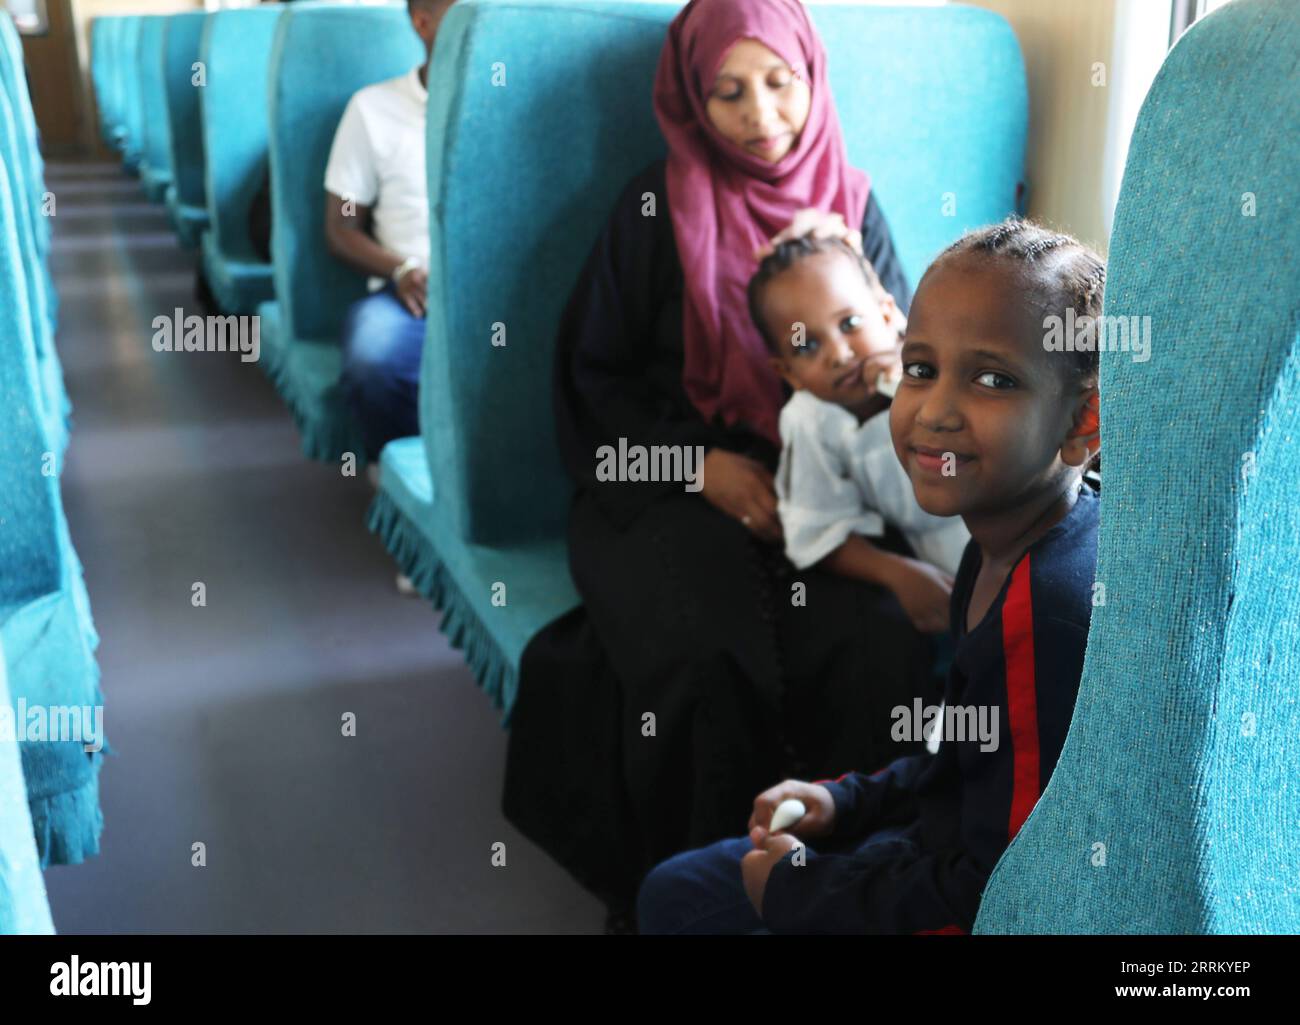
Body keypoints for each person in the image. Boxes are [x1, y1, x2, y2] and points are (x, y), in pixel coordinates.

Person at [502, 0, 942, 929]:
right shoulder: (654, 205)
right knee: (706, 652)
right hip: (663, 481)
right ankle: (700, 895)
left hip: (821, 481)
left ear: (812, 77)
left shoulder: (855, 205)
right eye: (728, 92)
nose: (761, 115)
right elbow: (592, 378)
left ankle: (846, 881)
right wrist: (697, 464)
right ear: (692, 100)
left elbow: (904, 358)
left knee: (876, 640)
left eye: (779, 83)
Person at [636, 218, 1106, 934]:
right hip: (924, 839)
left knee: (686, 907)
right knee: (673, 890)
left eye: (993, 379)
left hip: (961, 895)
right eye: (921, 369)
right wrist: (849, 800)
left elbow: (1000, 891)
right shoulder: (992, 545)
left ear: (1083, 421)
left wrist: (803, 894)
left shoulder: (1046, 613)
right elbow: (962, 755)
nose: (936, 411)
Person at [751, 235, 970, 620]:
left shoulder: (933, 361)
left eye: (850, 323)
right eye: (806, 347)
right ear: (788, 373)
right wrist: (899, 575)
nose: (839, 354)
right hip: (942, 559)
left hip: (1011, 510)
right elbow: (819, 527)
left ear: (888, 315)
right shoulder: (810, 420)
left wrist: (903, 380)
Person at [324, 0, 456, 462]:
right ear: (423, 23)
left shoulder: (518, 105)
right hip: (412, 295)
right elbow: (340, 227)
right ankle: (401, 468)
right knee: (372, 354)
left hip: (497, 298)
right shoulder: (373, 109)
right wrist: (400, 269)